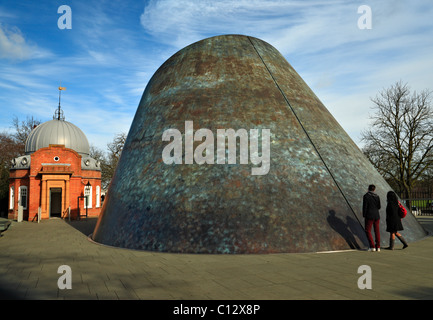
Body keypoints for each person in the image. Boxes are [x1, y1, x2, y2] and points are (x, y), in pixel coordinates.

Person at [363, 184, 381, 251]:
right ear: (374, 189)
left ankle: (372, 246)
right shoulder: (377, 196)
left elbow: (365, 206)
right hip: (376, 215)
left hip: (369, 215)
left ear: (368, 189)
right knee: (377, 231)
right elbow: (379, 206)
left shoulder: (366, 196)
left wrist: (364, 215)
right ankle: (378, 246)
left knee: (368, 230)